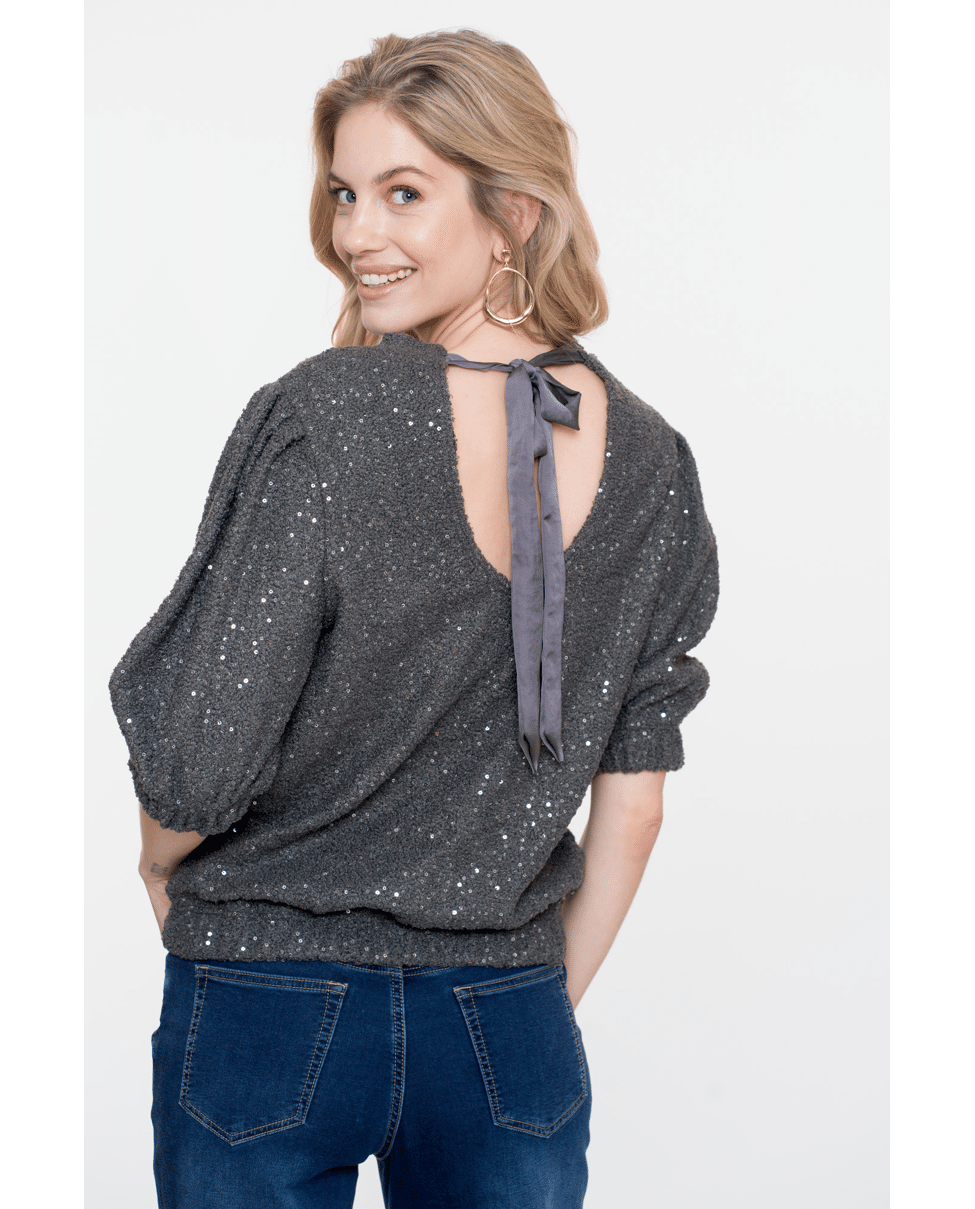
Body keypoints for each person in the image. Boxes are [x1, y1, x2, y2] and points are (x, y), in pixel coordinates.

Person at [110, 28, 719, 1209]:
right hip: (507, 1018)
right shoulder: (653, 458)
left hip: (268, 996)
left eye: (403, 193)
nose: (355, 234)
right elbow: (635, 806)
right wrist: (526, 1007)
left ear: (513, 213)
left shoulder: (324, 414)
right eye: (345, 193)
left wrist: (156, 864)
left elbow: (200, 754)